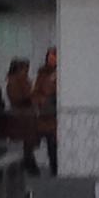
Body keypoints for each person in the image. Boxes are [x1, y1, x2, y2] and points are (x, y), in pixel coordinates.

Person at [5, 58, 40, 175]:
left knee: (25, 145)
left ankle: (28, 167)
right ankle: (29, 168)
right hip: (23, 118)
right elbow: (20, 97)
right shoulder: (17, 81)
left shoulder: (18, 81)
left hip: (25, 117)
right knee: (25, 145)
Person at [33, 48, 59, 176]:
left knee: (56, 144)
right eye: (50, 56)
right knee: (51, 144)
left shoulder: (63, 72)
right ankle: (54, 169)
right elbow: (36, 92)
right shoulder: (42, 74)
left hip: (57, 114)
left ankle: (58, 168)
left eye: (54, 56)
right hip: (47, 115)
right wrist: (41, 101)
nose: (52, 59)